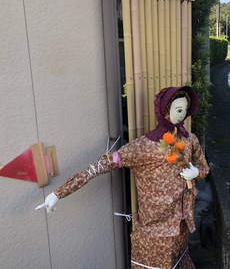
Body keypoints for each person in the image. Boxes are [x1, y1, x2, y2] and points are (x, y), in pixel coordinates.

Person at [36, 86, 210, 269]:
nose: (182, 115)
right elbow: (100, 166)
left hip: (182, 224)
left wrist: (196, 173)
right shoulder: (143, 147)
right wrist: (58, 193)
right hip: (155, 230)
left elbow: (203, 168)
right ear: (165, 110)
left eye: (184, 110)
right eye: (178, 110)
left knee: (179, 261)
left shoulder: (190, 140)